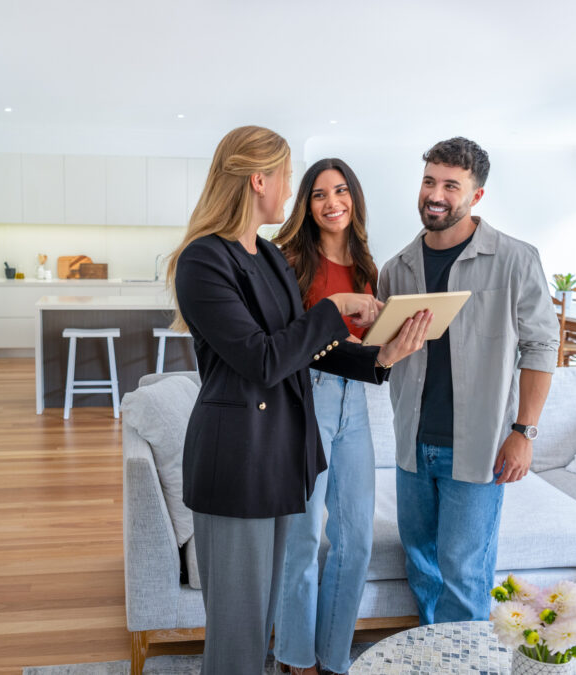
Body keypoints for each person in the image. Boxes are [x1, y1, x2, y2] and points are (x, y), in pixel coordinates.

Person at [170, 126, 432, 674]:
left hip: (282, 456)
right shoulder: (204, 260)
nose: (291, 189)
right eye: (289, 176)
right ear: (258, 178)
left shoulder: (265, 256)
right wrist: (333, 305)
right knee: (238, 638)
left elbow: (306, 350)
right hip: (238, 461)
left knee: (263, 618)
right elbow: (262, 358)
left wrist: (379, 360)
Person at [377, 137, 559, 626]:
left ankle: (466, 661)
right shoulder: (397, 269)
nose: (436, 195)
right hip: (411, 447)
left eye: (451, 186)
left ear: (475, 195)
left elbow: (541, 348)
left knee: (463, 574)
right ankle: (435, 655)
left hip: (477, 449)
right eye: (429, 181)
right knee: (421, 566)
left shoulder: (516, 260)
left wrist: (525, 432)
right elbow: (381, 354)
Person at [271, 158, 382, 675]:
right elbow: (292, 345)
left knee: (357, 538)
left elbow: (365, 342)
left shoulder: (366, 264)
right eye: (319, 194)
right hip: (306, 398)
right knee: (304, 536)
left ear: (354, 197)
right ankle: (296, 659)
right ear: (306, 205)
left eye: (341, 191)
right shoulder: (289, 260)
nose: (332, 202)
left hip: (355, 400)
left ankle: (334, 658)